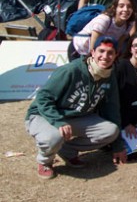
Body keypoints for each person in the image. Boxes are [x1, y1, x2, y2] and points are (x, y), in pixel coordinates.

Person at [25, 36, 126, 180]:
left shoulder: (109, 76)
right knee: (54, 137)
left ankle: (67, 150)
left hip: (75, 116)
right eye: (101, 51)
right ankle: (45, 161)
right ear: (92, 52)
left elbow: (112, 110)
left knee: (111, 131)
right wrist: (58, 122)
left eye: (110, 52)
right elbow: (43, 97)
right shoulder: (72, 70)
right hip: (43, 115)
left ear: (116, 55)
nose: (105, 56)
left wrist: (118, 146)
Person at [68, 0, 137, 61]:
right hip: (78, 50)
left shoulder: (129, 23)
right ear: (114, 7)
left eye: (129, 6)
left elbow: (118, 46)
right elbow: (94, 46)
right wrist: (93, 61)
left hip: (99, 53)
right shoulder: (105, 19)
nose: (125, 9)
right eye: (121, 6)